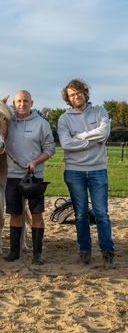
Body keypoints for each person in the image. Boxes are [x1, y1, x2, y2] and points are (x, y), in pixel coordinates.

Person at [58, 79, 115, 268]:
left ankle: (107, 252)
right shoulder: (64, 119)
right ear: (68, 98)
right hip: (75, 172)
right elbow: (66, 144)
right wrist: (93, 140)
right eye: (72, 94)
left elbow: (104, 133)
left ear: (85, 92)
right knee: (81, 214)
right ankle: (85, 251)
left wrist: (80, 137)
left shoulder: (99, 111)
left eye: (79, 92)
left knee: (101, 213)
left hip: (98, 170)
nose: (76, 96)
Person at [4, 90, 55, 265]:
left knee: (36, 214)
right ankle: (14, 252)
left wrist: (36, 161)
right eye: (18, 101)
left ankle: (37, 254)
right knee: (15, 214)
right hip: (12, 176)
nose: (22, 104)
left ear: (31, 103)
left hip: (34, 177)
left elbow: (50, 148)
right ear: (14, 104)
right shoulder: (8, 123)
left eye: (25, 101)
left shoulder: (42, 123)